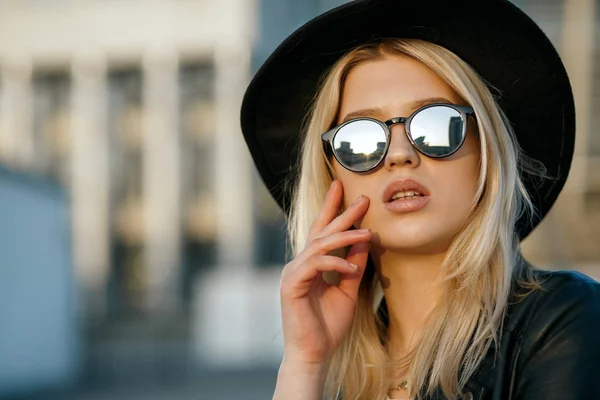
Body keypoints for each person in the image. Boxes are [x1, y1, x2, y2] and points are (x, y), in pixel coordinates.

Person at [240, 1, 600, 399]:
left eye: (436, 125)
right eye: (360, 141)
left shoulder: (563, 320)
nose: (400, 154)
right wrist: (304, 364)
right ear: (331, 178)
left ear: (487, 153)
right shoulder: (343, 378)